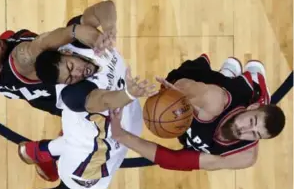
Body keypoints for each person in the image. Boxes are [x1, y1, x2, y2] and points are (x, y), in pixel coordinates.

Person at [0, 30, 158, 189]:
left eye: (71, 67)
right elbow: (102, 99)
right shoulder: (69, 89)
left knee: (84, 128)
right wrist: (129, 93)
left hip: (83, 114)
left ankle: (40, 151)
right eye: (70, 73)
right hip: (89, 133)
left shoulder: (77, 48)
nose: (77, 73)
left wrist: (95, 26)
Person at [109, 56, 286, 171]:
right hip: (201, 82)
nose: (245, 131)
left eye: (255, 134)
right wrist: (175, 93)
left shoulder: (244, 156)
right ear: (251, 108)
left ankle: (227, 73)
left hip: (195, 122)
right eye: (251, 121)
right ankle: (249, 78)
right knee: (252, 72)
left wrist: (121, 135)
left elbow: (176, 160)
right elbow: (192, 88)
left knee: (222, 81)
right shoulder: (214, 101)